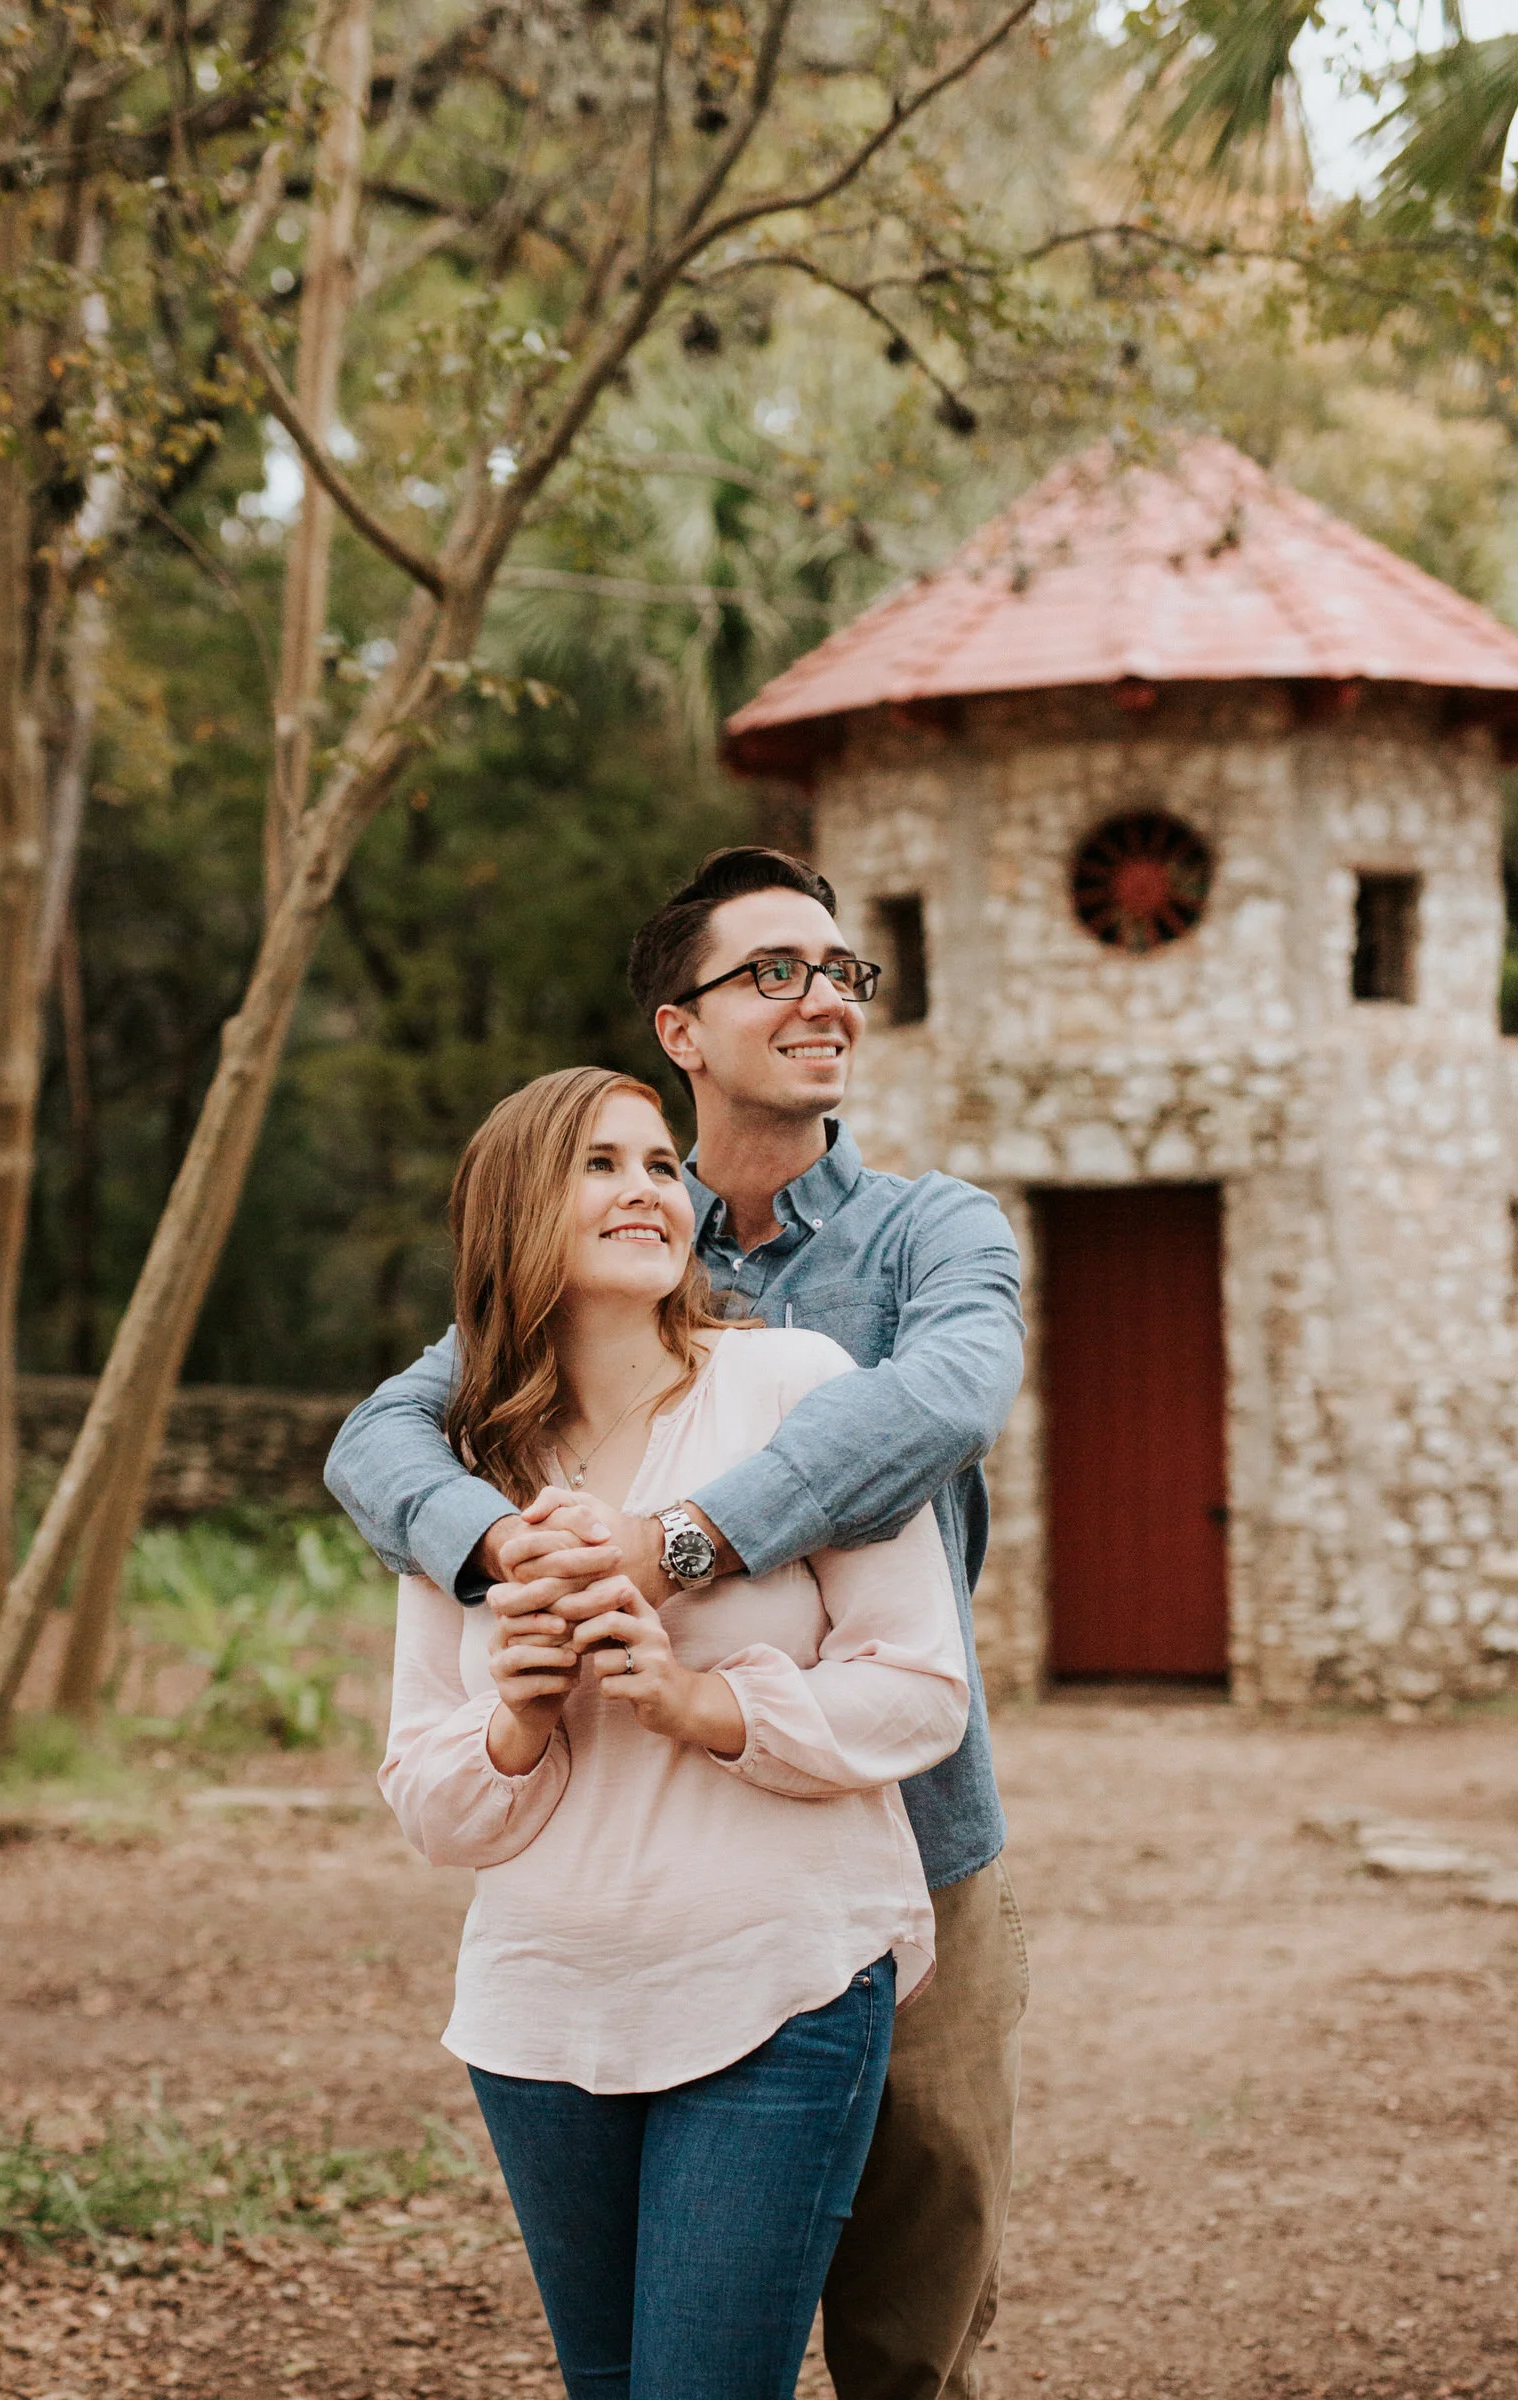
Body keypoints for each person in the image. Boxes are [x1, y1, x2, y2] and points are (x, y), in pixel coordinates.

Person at [328, 846, 1028, 2400]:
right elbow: (379, 1444)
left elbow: (948, 1403)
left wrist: (671, 1547)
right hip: (591, 1933)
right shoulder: (607, 1276)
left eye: (843, 970)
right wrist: (514, 1561)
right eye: (774, 971)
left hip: (900, 1843)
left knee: (915, 2329)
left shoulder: (926, 1239)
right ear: (681, 1026)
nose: (822, 999)